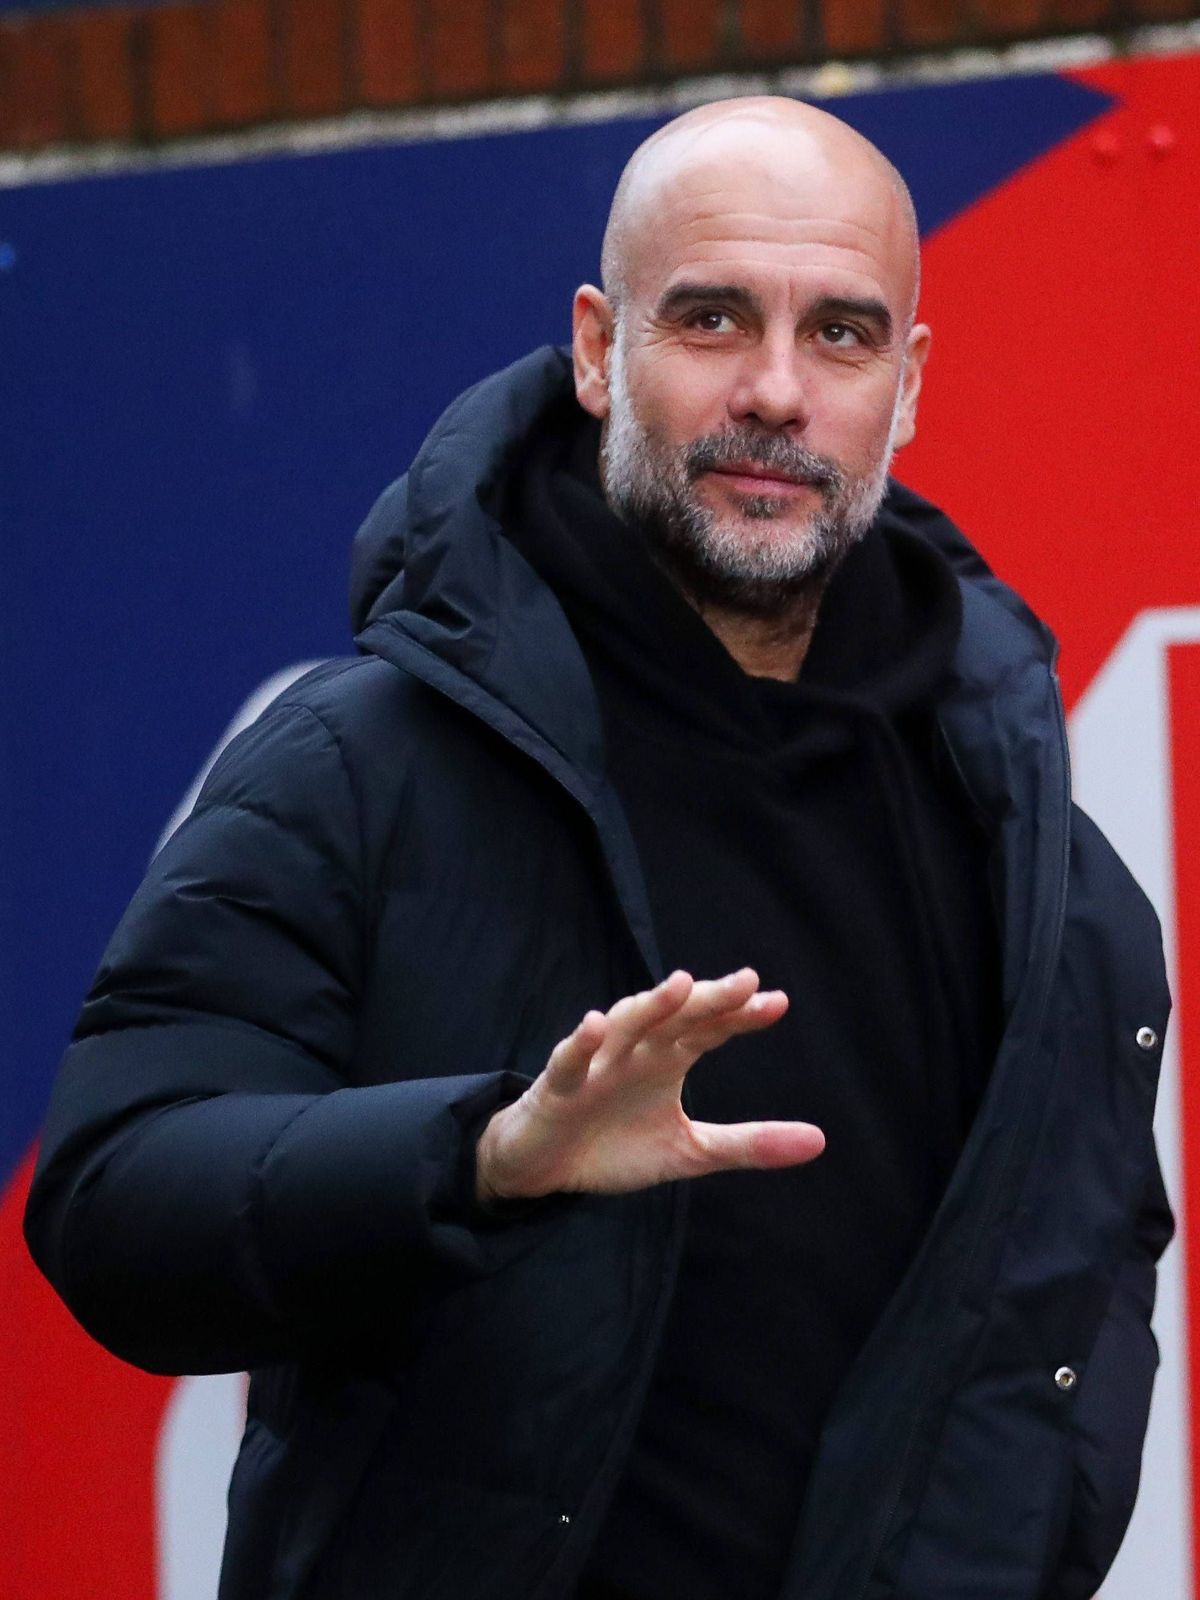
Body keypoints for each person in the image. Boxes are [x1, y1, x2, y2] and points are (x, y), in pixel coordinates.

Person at [25, 97, 1172, 1600]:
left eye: (841, 335)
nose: (776, 391)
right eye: (711, 318)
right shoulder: (362, 767)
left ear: (907, 385)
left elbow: (1076, 1306)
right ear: (595, 349)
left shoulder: (1045, 873)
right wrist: (485, 1159)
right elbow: (115, 1197)